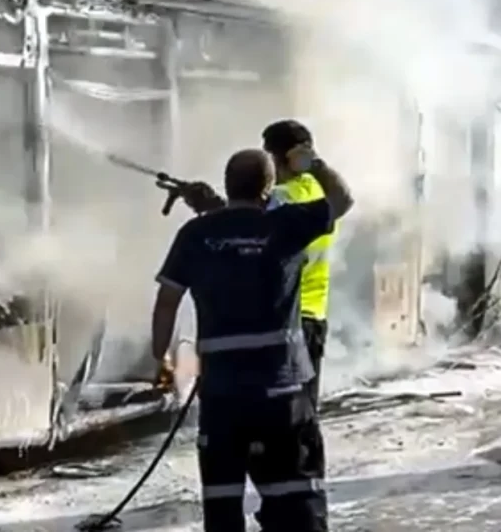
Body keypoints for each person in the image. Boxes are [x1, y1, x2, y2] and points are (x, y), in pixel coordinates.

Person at [150, 145, 353, 532]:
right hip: (283, 396)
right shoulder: (288, 225)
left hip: (223, 399)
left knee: (222, 506)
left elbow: (166, 302)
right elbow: (342, 199)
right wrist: (312, 163)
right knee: (297, 504)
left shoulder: (196, 234)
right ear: (269, 187)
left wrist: (160, 357)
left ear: (227, 186)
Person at [260, 120, 345, 410]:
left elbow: (247, 220)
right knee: (305, 412)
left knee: (281, 413)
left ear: (277, 158)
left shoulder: (281, 198)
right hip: (315, 316)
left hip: (287, 318)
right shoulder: (318, 191)